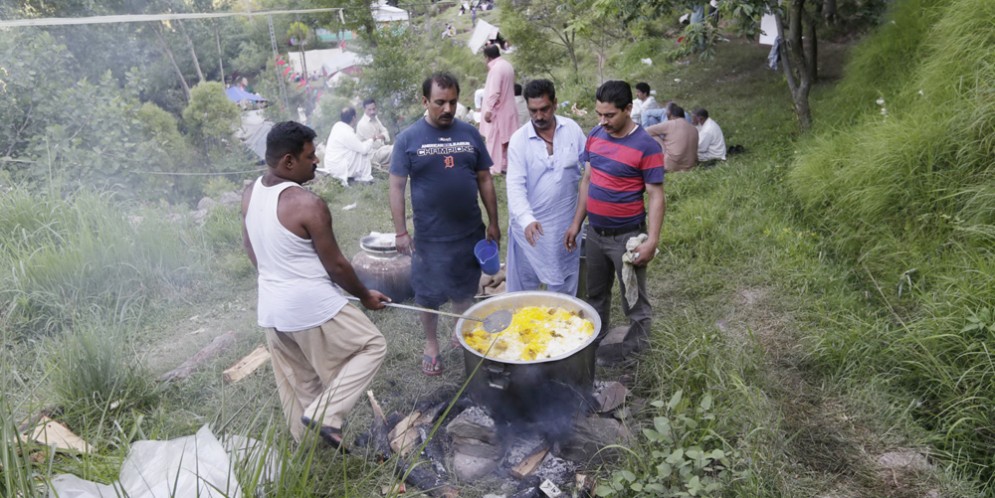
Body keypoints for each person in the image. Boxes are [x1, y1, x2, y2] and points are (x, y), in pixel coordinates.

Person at [241, 121, 389, 449]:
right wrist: (365, 296)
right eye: (310, 156)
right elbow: (337, 266)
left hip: (271, 309)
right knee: (372, 345)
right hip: (310, 306)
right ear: (288, 161)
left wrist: (277, 277)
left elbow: (250, 247)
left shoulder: (250, 193)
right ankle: (327, 414)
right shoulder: (308, 204)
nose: (317, 161)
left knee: (303, 382)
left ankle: (311, 452)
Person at [389, 72, 501, 376]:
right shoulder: (408, 139)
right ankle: (431, 344)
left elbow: (485, 179)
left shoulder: (470, 134)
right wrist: (401, 232)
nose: (448, 109)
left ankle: (459, 330)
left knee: (465, 288)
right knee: (427, 295)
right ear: (425, 101)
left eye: (452, 102)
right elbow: (396, 186)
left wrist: (493, 222)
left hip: (469, 231)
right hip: (429, 236)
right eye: (440, 102)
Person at [564, 80, 665, 361]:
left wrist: (652, 240)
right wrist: (576, 224)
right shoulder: (596, 135)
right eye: (599, 114)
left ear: (628, 109)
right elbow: (587, 180)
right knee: (595, 294)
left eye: (609, 115)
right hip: (595, 233)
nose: (602, 121)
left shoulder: (646, 146)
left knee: (634, 300)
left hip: (627, 237)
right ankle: (593, 346)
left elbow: (656, 196)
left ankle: (636, 357)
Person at [506, 79, 587, 295]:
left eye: (544, 109)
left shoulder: (571, 130)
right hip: (529, 229)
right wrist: (526, 219)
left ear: (555, 104)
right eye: (533, 111)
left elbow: (590, 169)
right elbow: (515, 185)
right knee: (523, 290)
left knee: (564, 285)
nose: (539, 116)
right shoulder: (519, 140)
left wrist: (579, 220)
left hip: (565, 226)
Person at [319, 107, 384, 186]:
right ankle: (365, 179)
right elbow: (363, 149)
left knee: (359, 149)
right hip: (338, 168)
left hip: (332, 165)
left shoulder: (338, 126)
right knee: (363, 153)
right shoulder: (346, 132)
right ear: (353, 118)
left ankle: (360, 177)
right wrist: (372, 139)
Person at [480, 45, 518, 175]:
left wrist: (489, 110)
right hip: (509, 108)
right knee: (505, 141)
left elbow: (495, 92)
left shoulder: (496, 69)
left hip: (498, 111)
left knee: (494, 140)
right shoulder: (507, 65)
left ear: (487, 57)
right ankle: (504, 166)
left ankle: (494, 168)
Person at [645, 102, 699, 172]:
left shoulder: (670, 123)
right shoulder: (694, 128)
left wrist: (663, 146)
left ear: (671, 115)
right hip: (689, 166)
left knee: (652, 135)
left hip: (670, 165)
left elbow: (645, 131)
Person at [355, 98, 394, 169]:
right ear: (364, 109)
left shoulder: (375, 118)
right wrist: (382, 137)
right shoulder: (362, 124)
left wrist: (382, 136)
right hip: (372, 156)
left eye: (373, 109)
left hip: (381, 150)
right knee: (397, 149)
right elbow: (375, 144)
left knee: (400, 146)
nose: (372, 112)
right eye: (369, 110)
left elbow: (385, 131)